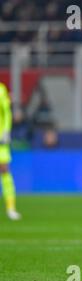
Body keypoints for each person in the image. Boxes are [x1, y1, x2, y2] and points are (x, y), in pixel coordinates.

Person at [0, 82, 21, 220]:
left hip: (0, 140)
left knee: (4, 170)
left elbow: (6, 112)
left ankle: (11, 207)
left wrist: (6, 131)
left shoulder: (1, 90)